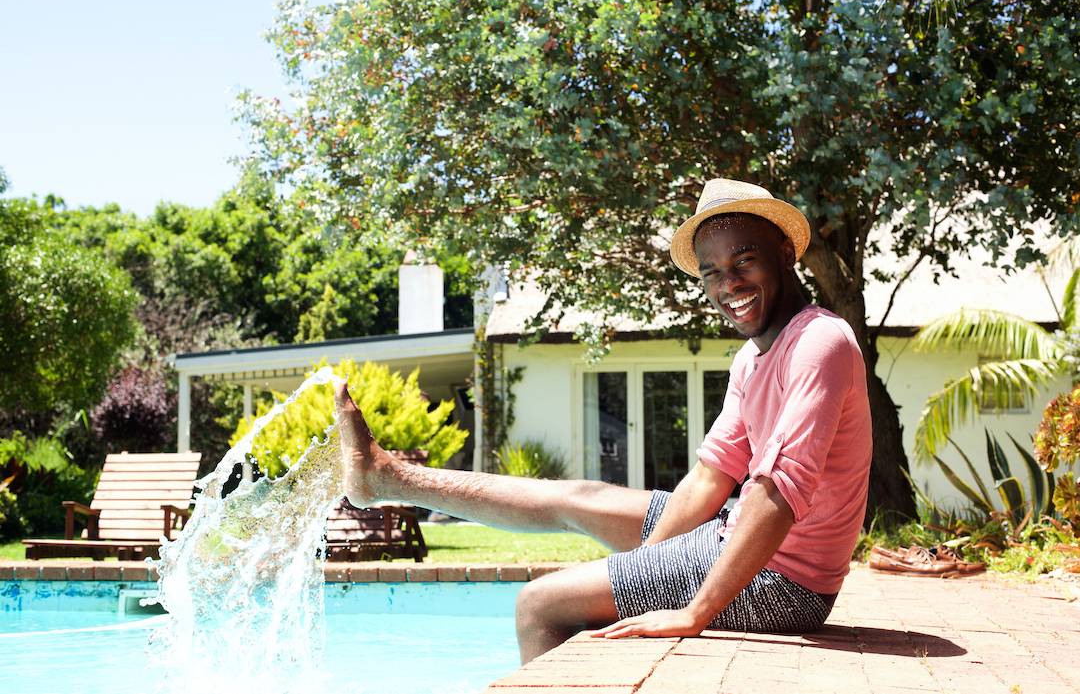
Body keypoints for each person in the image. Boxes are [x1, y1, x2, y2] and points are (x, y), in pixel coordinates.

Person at [335, 178, 872, 664]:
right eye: (712, 273)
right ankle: (386, 477)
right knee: (580, 498)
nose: (728, 284)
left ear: (785, 252)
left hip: (787, 584)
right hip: (744, 540)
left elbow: (776, 491)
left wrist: (693, 611)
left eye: (744, 262)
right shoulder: (752, 357)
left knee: (538, 605)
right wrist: (649, 567)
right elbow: (710, 478)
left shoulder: (818, 341)